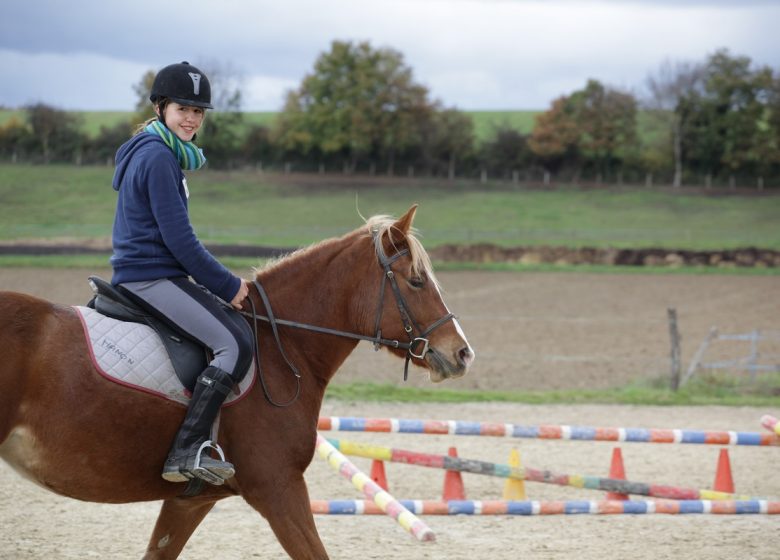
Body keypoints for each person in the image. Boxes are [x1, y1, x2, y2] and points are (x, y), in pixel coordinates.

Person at [110, 61, 253, 485]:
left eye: (198, 111)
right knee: (233, 345)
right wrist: (228, 285)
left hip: (155, 272)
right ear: (160, 108)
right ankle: (187, 450)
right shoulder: (157, 157)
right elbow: (180, 241)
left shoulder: (159, 151)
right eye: (182, 109)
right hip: (150, 276)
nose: (191, 118)